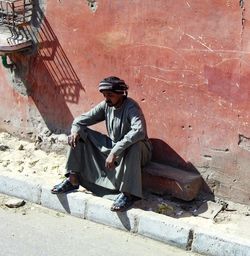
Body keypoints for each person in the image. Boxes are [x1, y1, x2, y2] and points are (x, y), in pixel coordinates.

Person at [51, 76, 152, 212]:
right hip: (114, 146)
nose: (107, 98)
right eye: (105, 95)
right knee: (80, 133)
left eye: (110, 95)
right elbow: (80, 120)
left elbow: (139, 131)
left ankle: (128, 194)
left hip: (137, 150)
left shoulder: (131, 107)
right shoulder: (106, 105)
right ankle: (73, 179)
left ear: (121, 94)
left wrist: (115, 151)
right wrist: (75, 131)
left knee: (135, 145)